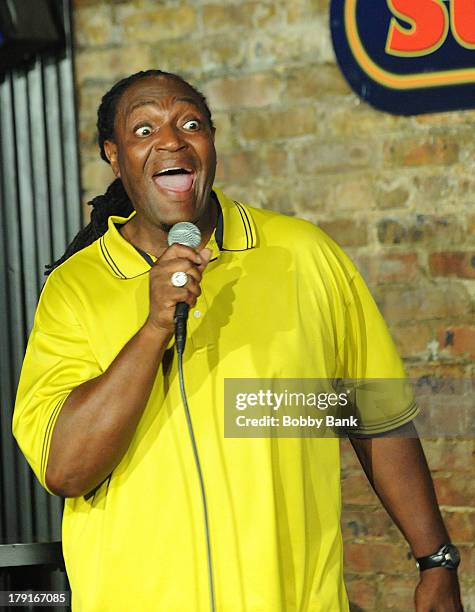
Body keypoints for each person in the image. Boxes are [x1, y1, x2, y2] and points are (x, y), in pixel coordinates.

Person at [13, 69, 463, 611]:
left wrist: (435, 560)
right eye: (144, 130)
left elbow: (374, 416)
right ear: (114, 156)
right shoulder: (75, 288)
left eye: (190, 123)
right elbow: (66, 466)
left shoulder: (303, 256)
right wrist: (156, 326)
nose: (172, 141)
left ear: (211, 141)